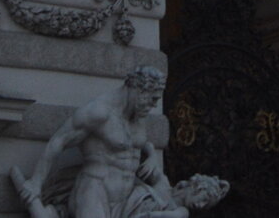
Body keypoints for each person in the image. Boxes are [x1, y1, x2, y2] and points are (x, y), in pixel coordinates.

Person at [14, 67, 170, 218]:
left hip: (126, 201)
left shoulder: (137, 115)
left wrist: (152, 156)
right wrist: (36, 182)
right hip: (95, 193)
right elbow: (59, 141)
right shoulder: (99, 112)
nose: (154, 105)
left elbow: (137, 142)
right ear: (139, 90)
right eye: (153, 99)